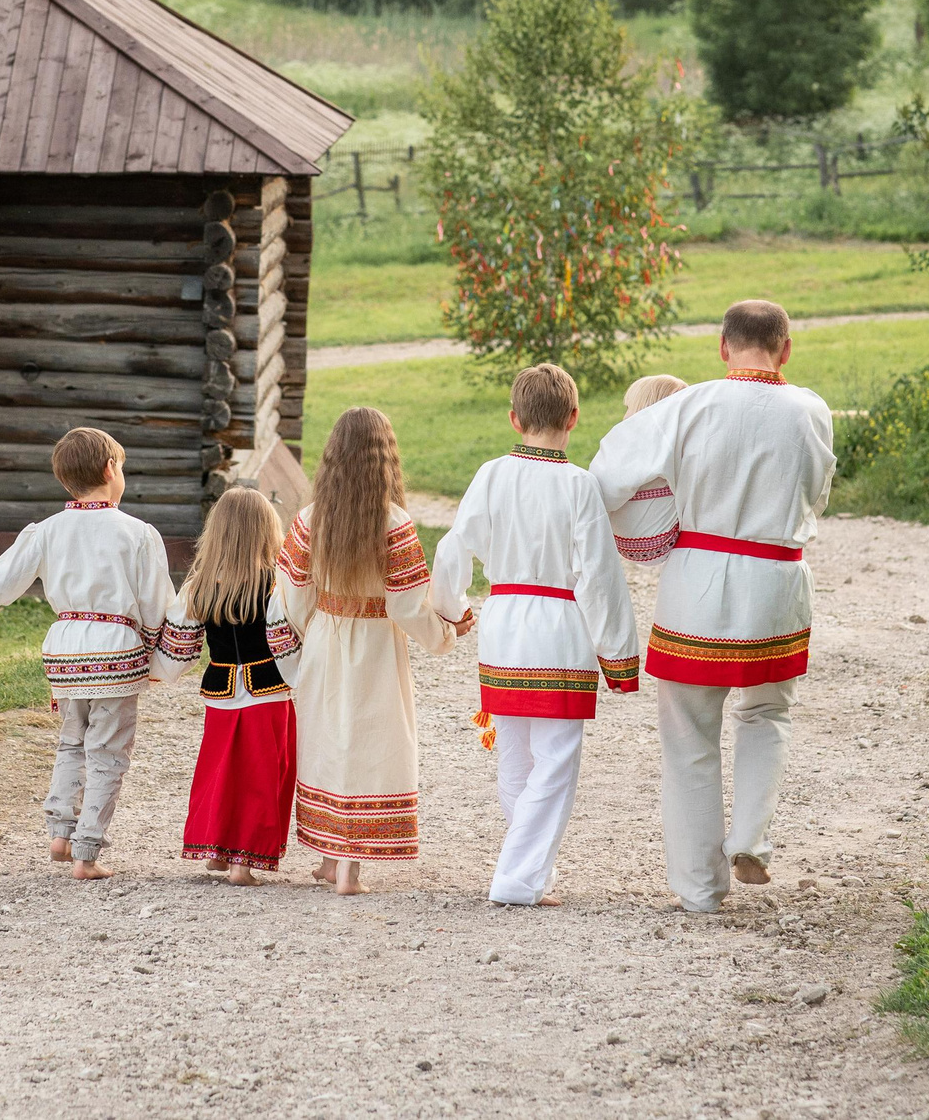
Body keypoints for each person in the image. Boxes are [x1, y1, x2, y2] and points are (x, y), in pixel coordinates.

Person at [589, 302, 832, 915]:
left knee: (689, 736)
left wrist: (650, 516)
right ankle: (752, 838)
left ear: (723, 347)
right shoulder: (813, 411)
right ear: (786, 347)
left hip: (697, 582)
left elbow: (607, 473)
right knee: (768, 714)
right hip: (779, 580)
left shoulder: (688, 406)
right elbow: (819, 494)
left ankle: (700, 888)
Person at [432, 363, 641, 908]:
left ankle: (529, 871)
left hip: (503, 622)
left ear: (514, 419)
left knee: (515, 755)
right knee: (556, 757)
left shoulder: (491, 474)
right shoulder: (579, 486)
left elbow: (455, 546)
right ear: (574, 417)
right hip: (560, 626)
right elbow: (599, 575)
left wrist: (451, 607)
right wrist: (618, 653)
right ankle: (518, 877)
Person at [0, 426, 174, 880]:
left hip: (64, 656)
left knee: (71, 742)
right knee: (108, 752)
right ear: (111, 469)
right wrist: (165, 659)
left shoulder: (44, 532)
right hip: (115, 656)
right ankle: (86, 853)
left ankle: (60, 833)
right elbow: (157, 606)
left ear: (65, 481)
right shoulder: (138, 534)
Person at [279, 406, 472, 896]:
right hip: (377, 646)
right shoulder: (395, 522)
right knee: (370, 741)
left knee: (327, 738)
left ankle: (329, 857)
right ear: (386, 460)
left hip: (327, 636)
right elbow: (407, 606)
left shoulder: (309, 519)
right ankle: (349, 869)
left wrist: (308, 637)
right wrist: (444, 634)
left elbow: (292, 595)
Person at [152, 486, 302, 885]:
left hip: (220, 693)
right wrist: (305, 676)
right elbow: (284, 643)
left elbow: (180, 649)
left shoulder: (199, 586)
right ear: (267, 530)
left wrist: (156, 673)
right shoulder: (277, 584)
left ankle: (217, 852)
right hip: (269, 692)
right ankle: (242, 864)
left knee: (218, 771)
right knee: (262, 774)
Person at [610, 374, 686, 566]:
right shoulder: (680, 446)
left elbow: (609, 486)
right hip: (665, 539)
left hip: (643, 539)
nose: (624, 416)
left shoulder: (629, 446)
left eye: (628, 408)